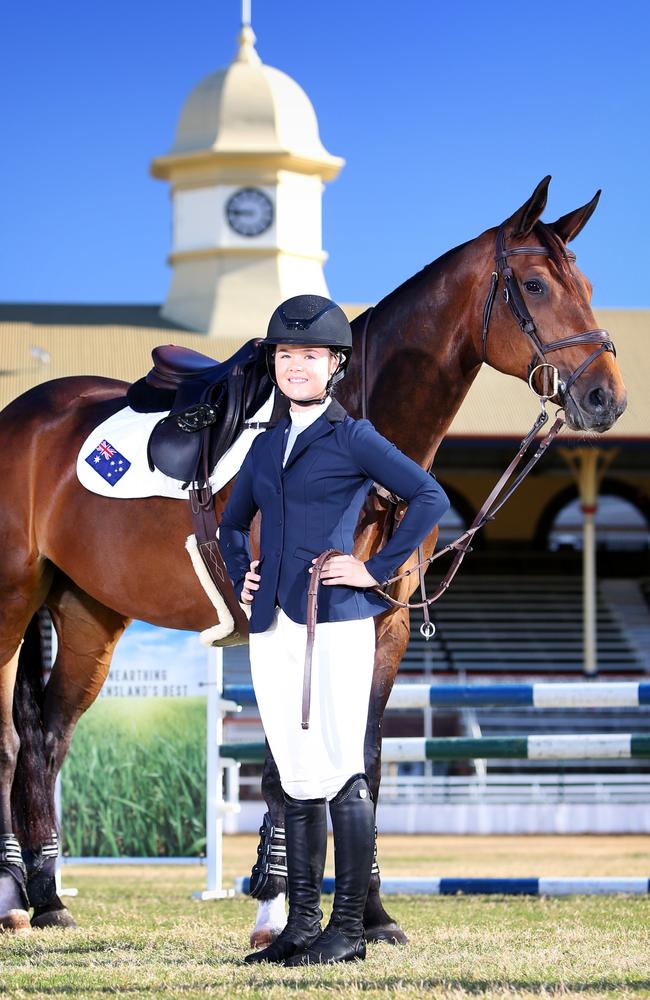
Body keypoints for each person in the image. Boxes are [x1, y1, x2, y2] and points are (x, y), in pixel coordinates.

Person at [220, 294, 449, 965]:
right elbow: (234, 523)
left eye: (310, 356)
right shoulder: (263, 447)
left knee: (345, 772)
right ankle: (300, 926)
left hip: (341, 621)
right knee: (293, 776)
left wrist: (373, 568)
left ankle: (347, 930)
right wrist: (244, 574)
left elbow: (428, 496)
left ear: (334, 366)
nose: (296, 366)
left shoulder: (354, 437)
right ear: (275, 363)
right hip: (272, 626)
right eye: (286, 356)